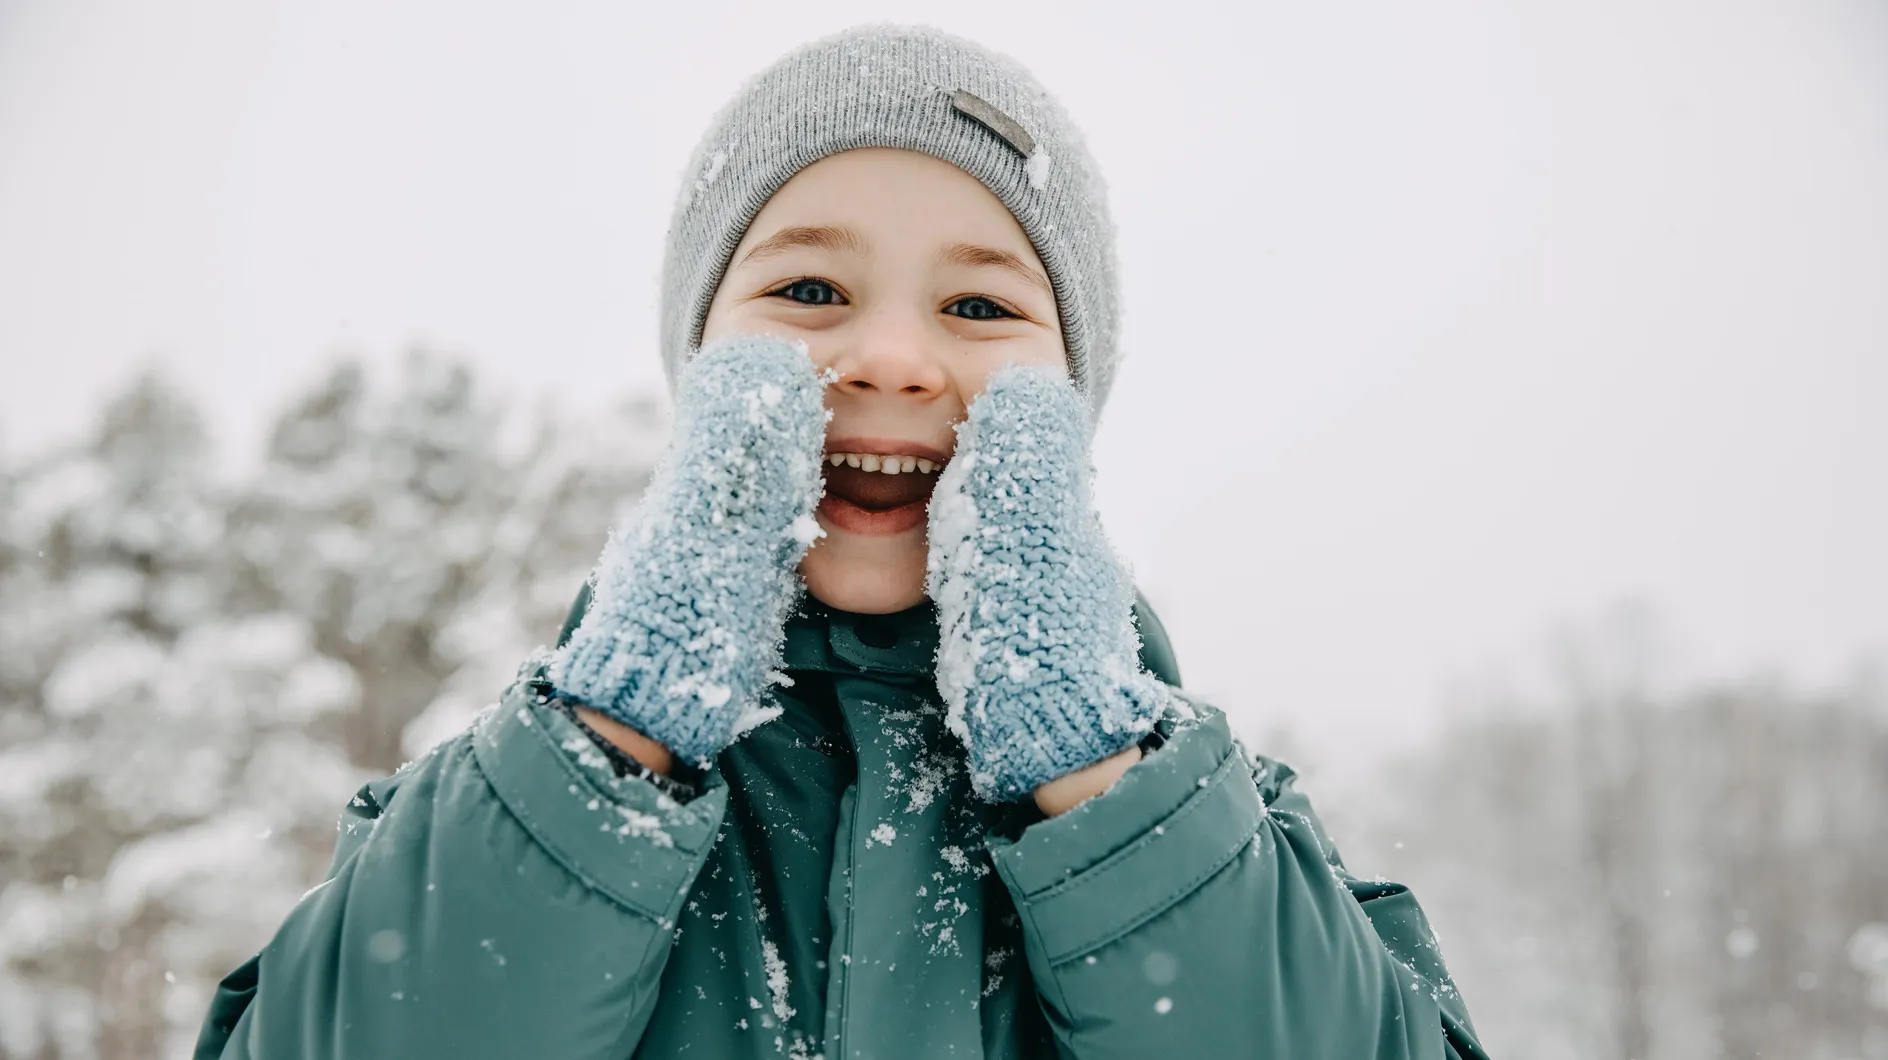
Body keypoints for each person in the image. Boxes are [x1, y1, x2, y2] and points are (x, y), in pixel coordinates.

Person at [195, 24, 1488, 1060]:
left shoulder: (1226, 843)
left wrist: (1099, 771)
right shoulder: (485, 819)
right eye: (810, 291)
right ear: (701, 362)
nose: (889, 356)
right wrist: (618, 733)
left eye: (979, 303)